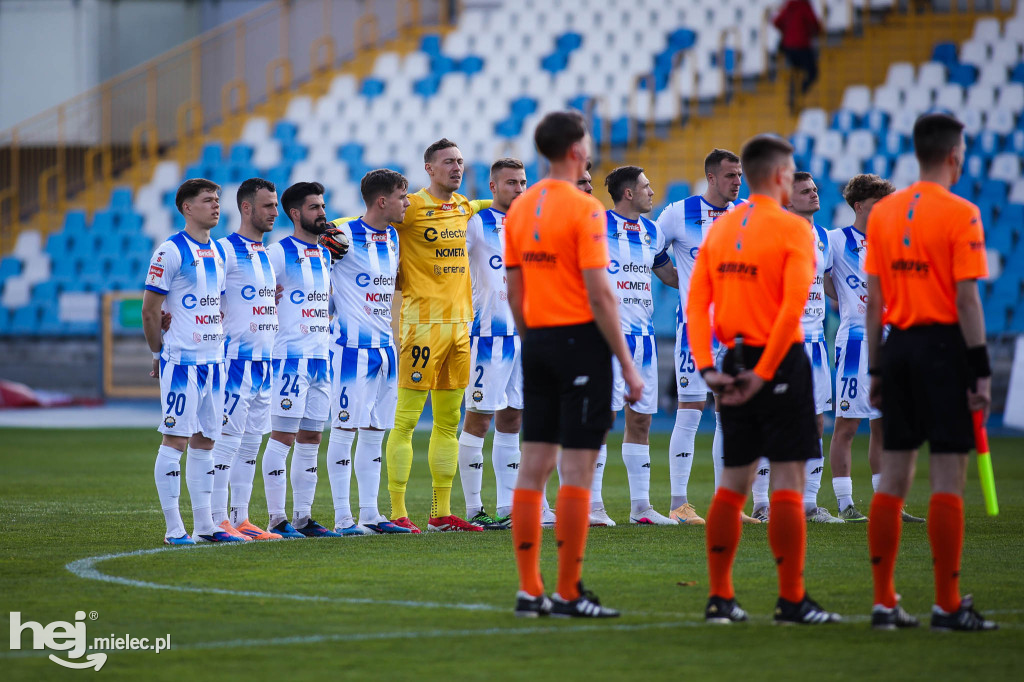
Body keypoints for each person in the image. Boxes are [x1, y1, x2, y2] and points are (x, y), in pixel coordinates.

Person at [689, 134, 840, 625]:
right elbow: (793, 307)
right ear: (779, 175)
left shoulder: (719, 227)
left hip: (729, 361)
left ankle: (720, 598)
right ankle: (792, 600)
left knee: (732, 485)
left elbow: (696, 303)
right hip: (778, 363)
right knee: (789, 485)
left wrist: (710, 368)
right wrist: (765, 371)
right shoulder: (794, 230)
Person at [506, 110, 642, 618]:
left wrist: (533, 339)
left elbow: (514, 288)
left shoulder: (521, 207)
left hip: (536, 341)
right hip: (580, 343)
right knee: (578, 469)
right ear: (577, 149)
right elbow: (602, 294)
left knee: (533, 466)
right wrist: (627, 365)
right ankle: (567, 591)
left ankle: (528, 589)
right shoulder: (584, 209)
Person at [866, 113, 996, 631]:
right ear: (954, 156)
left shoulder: (885, 213)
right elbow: (967, 298)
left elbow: (874, 299)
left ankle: (883, 602)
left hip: (896, 348)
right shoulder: (962, 213)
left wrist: (876, 363)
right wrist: (980, 368)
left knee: (892, 478)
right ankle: (947, 604)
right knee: (947, 475)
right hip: (944, 349)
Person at [383, 138, 492, 533]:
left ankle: (440, 513)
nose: (457, 167)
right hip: (422, 328)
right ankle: (397, 511)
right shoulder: (408, 207)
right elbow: (362, 220)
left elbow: (490, 205)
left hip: (461, 328)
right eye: (448, 162)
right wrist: (327, 229)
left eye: (461, 161)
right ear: (429, 168)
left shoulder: (464, 205)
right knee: (407, 421)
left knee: (449, 422)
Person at [656, 149, 758, 525]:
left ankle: (727, 502)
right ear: (711, 178)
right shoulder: (678, 213)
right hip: (695, 330)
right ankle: (679, 503)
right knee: (690, 412)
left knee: (730, 412)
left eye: (740, 175)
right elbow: (652, 250)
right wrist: (673, 278)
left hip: (737, 331)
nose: (737, 182)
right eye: (731, 175)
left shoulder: (746, 214)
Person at [142, 178, 242, 545]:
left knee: (205, 442)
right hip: (182, 362)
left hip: (215, 363)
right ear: (186, 207)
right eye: (207, 200)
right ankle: (173, 529)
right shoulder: (170, 251)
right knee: (175, 441)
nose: (216, 205)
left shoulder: (220, 251)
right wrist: (158, 353)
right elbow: (150, 311)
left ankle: (205, 526)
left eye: (217, 200)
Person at [826, 174, 924, 523]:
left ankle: (890, 506)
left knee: (885, 425)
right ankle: (845, 503)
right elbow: (821, 275)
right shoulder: (836, 240)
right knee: (848, 424)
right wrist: (842, 298)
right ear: (859, 206)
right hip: (855, 339)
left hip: (889, 340)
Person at [322, 169, 413, 535]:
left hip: (384, 350)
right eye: (402, 197)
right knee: (344, 430)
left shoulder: (392, 236)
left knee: (375, 433)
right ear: (382, 201)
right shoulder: (341, 234)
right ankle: (343, 517)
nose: (407, 203)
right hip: (349, 351)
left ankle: (370, 514)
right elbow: (306, 264)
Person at [750, 172, 842, 524]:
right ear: (787, 200)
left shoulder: (823, 238)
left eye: (816, 189)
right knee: (768, 420)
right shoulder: (774, 233)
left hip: (816, 341)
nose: (814, 195)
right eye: (805, 191)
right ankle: (761, 501)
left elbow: (830, 282)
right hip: (781, 339)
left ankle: (808, 502)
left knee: (816, 421)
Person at [589, 166, 678, 527]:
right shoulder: (596, 226)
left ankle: (641, 508)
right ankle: (593, 506)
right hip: (607, 339)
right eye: (646, 185)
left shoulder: (652, 231)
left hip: (643, 339)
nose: (651, 191)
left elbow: (669, 275)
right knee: (602, 419)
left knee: (640, 419)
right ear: (628, 193)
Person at [261, 181, 341, 538]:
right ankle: (276, 519)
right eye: (314, 207)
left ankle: (303, 518)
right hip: (289, 359)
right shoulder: (277, 253)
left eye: (323, 206)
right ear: (295, 214)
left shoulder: (325, 253)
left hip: (320, 358)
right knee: (282, 437)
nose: (322, 213)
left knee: (311, 438)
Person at [457, 158, 530, 530]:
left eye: (522, 182)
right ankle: (474, 509)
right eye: (511, 183)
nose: (518, 189)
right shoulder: (475, 224)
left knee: (513, 417)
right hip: (488, 336)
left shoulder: (532, 225)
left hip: (524, 336)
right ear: (493, 187)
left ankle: (510, 506)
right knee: (479, 419)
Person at [209, 177, 283, 541]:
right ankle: (216, 518)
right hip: (234, 360)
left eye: (276, 204)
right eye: (268, 205)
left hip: (264, 363)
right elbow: (205, 294)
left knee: (251, 442)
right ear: (246, 208)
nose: (275, 211)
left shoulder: (265, 254)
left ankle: (241, 518)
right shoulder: (223, 250)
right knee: (227, 440)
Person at [772, 0, 822, 109]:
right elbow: (813, 22)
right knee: (812, 73)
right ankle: (800, 92)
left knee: (796, 71)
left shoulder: (789, 6)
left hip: (789, 47)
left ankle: (793, 96)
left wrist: (786, 31)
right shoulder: (804, 5)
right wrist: (815, 31)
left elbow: (776, 21)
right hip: (802, 45)